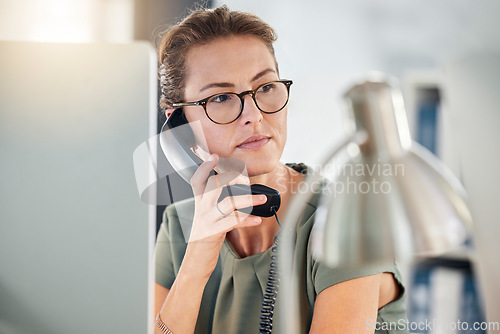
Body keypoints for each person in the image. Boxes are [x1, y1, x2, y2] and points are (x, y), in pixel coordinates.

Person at [154, 5, 408, 334]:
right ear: (180, 126)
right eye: (221, 98)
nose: (253, 115)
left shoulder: (347, 221)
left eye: (265, 88)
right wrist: (196, 262)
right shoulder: (179, 226)